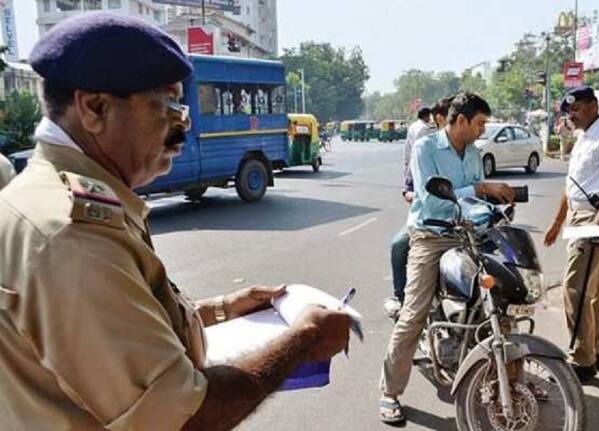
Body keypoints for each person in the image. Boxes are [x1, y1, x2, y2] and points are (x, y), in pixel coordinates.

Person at [0, 13, 351, 430]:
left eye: (181, 109)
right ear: (95, 107)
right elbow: (185, 417)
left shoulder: (52, 200)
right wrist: (303, 340)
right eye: (166, 107)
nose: (181, 131)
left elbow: (124, 329)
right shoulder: (71, 236)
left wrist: (223, 309)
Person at [379, 92, 515, 424]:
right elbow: (432, 200)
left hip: (468, 235)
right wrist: (482, 190)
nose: (483, 130)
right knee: (413, 314)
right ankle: (389, 392)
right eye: (480, 123)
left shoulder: (473, 152)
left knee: (499, 301)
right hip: (430, 236)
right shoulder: (426, 147)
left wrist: (497, 209)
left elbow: (474, 198)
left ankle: (511, 379)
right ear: (461, 120)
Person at [543, 86, 599, 383]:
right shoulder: (584, 137)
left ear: (594, 105)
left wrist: (598, 224)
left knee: (575, 289)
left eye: (577, 108)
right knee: (593, 289)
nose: (572, 115)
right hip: (579, 215)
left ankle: (581, 360)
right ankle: (593, 350)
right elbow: (573, 185)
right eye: (569, 111)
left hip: (595, 216)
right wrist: (557, 222)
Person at [384, 98, 454, 320]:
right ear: (442, 118)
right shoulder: (424, 146)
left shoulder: (470, 151)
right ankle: (400, 298)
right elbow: (408, 188)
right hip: (428, 222)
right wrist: (418, 196)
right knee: (398, 245)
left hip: (463, 225)